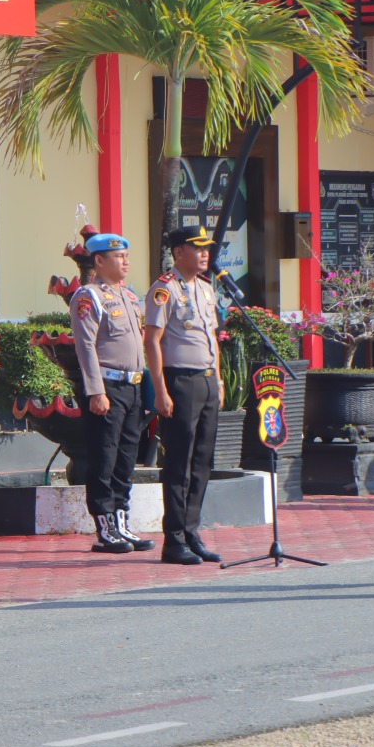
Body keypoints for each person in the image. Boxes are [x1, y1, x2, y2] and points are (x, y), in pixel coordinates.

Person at [144, 224, 225, 565]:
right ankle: (174, 538)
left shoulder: (206, 289)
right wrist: (160, 390)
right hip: (180, 382)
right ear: (179, 253)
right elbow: (152, 341)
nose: (205, 253)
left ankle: (192, 532)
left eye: (207, 248)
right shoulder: (165, 290)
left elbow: (213, 338)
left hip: (206, 381)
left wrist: (219, 381)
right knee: (178, 462)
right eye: (198, 248)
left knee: (202, 462)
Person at [71, 231, 155, 554]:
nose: (125, 260)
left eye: (126, 255)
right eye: (117, 256)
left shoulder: (130, 297)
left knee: (126, 459)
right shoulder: (88, 297)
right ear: (99, 260)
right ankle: (105, 527)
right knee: (104, 459)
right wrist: (95, 391)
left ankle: (122, 523)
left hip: (133, 388)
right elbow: (85, 347)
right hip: (107, 388)